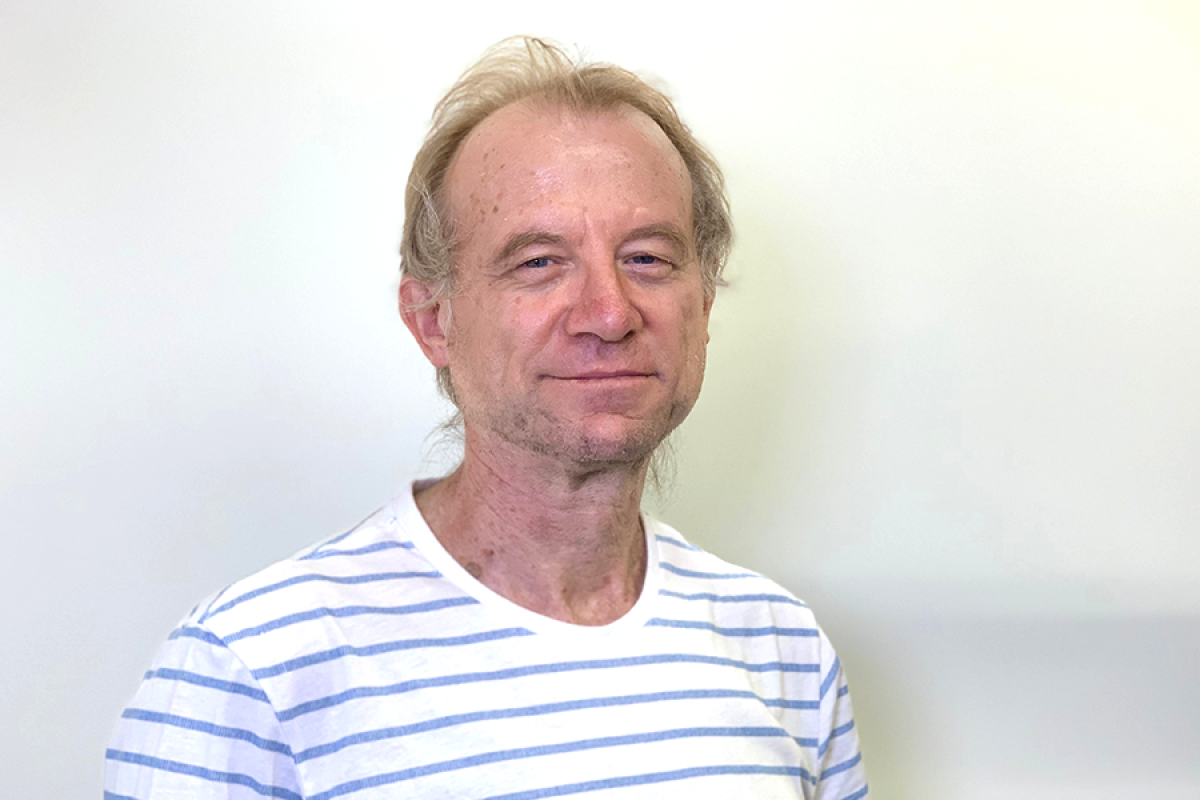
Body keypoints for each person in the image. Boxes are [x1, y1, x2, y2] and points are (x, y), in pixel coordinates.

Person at [106, 37, 869, 800]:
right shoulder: (247, 674)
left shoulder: (783, 649)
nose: (608, 313)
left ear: (702, 307)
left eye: (648, 258)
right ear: (432, 319)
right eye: (538, 261)